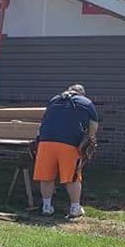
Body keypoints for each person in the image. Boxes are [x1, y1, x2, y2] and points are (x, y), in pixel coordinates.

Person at [33, 84, 99, 218]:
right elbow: (93, 127)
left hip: (46, 142)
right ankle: (75, 208)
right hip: (69, 143)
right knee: (72, 178)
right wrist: (89, 141)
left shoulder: (54, 100)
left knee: (46, 176)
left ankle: (47, 207)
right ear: (81, 93)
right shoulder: (86, 102)